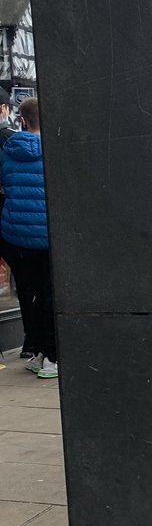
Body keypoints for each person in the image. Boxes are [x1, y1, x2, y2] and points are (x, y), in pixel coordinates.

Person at [0, 98, 57, 378]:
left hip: (16, 237)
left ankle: (36, 351)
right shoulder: (55, 150)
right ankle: (52, 356)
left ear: (22, 120)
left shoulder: (8, 152)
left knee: (27, 294)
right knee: (49, 295)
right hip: (47, 237)